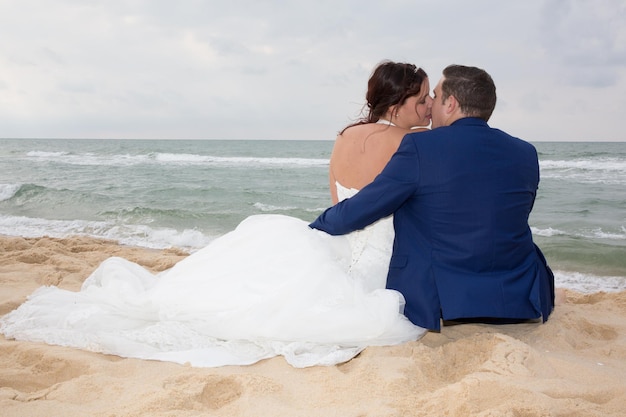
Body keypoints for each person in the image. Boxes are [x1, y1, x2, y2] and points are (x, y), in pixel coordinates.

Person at [0, 60, 431, 368]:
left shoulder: (345, 136)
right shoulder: (402, 143)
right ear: (399, 104)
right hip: (375, 247)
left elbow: (340, 201)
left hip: (337, 235)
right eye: (422, 98)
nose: (429, 106)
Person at [310, 64, 555, 331]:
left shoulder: (421, 147)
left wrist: (317, 226)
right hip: (518, 294)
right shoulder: (525, 153)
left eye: (435, 96)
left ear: (450, 104)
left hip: (446, 300)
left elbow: (363, 208)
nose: (431, 105)